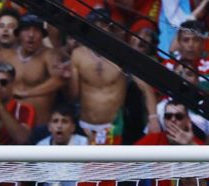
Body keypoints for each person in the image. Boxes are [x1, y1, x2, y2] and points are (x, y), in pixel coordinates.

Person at [68, 8, 159, 145]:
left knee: (111, 166)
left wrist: (153, 117)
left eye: (102, 26)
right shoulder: (78, 54)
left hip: (114, 127)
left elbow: (145, 88)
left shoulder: (122, 55)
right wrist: (66, 77)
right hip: (85, 126)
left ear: (109, 29)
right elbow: (72, 95)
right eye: (95, 26)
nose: (99, 31)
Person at [0, 14, 63, 126]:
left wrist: (27, 93)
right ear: (18, 34)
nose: (31, 35)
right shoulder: (8, 56)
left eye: (36, 31)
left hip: (39, 124)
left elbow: (59, 80)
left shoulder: (49, 55)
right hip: (11, 125)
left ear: (42, 36)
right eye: (26, 30)